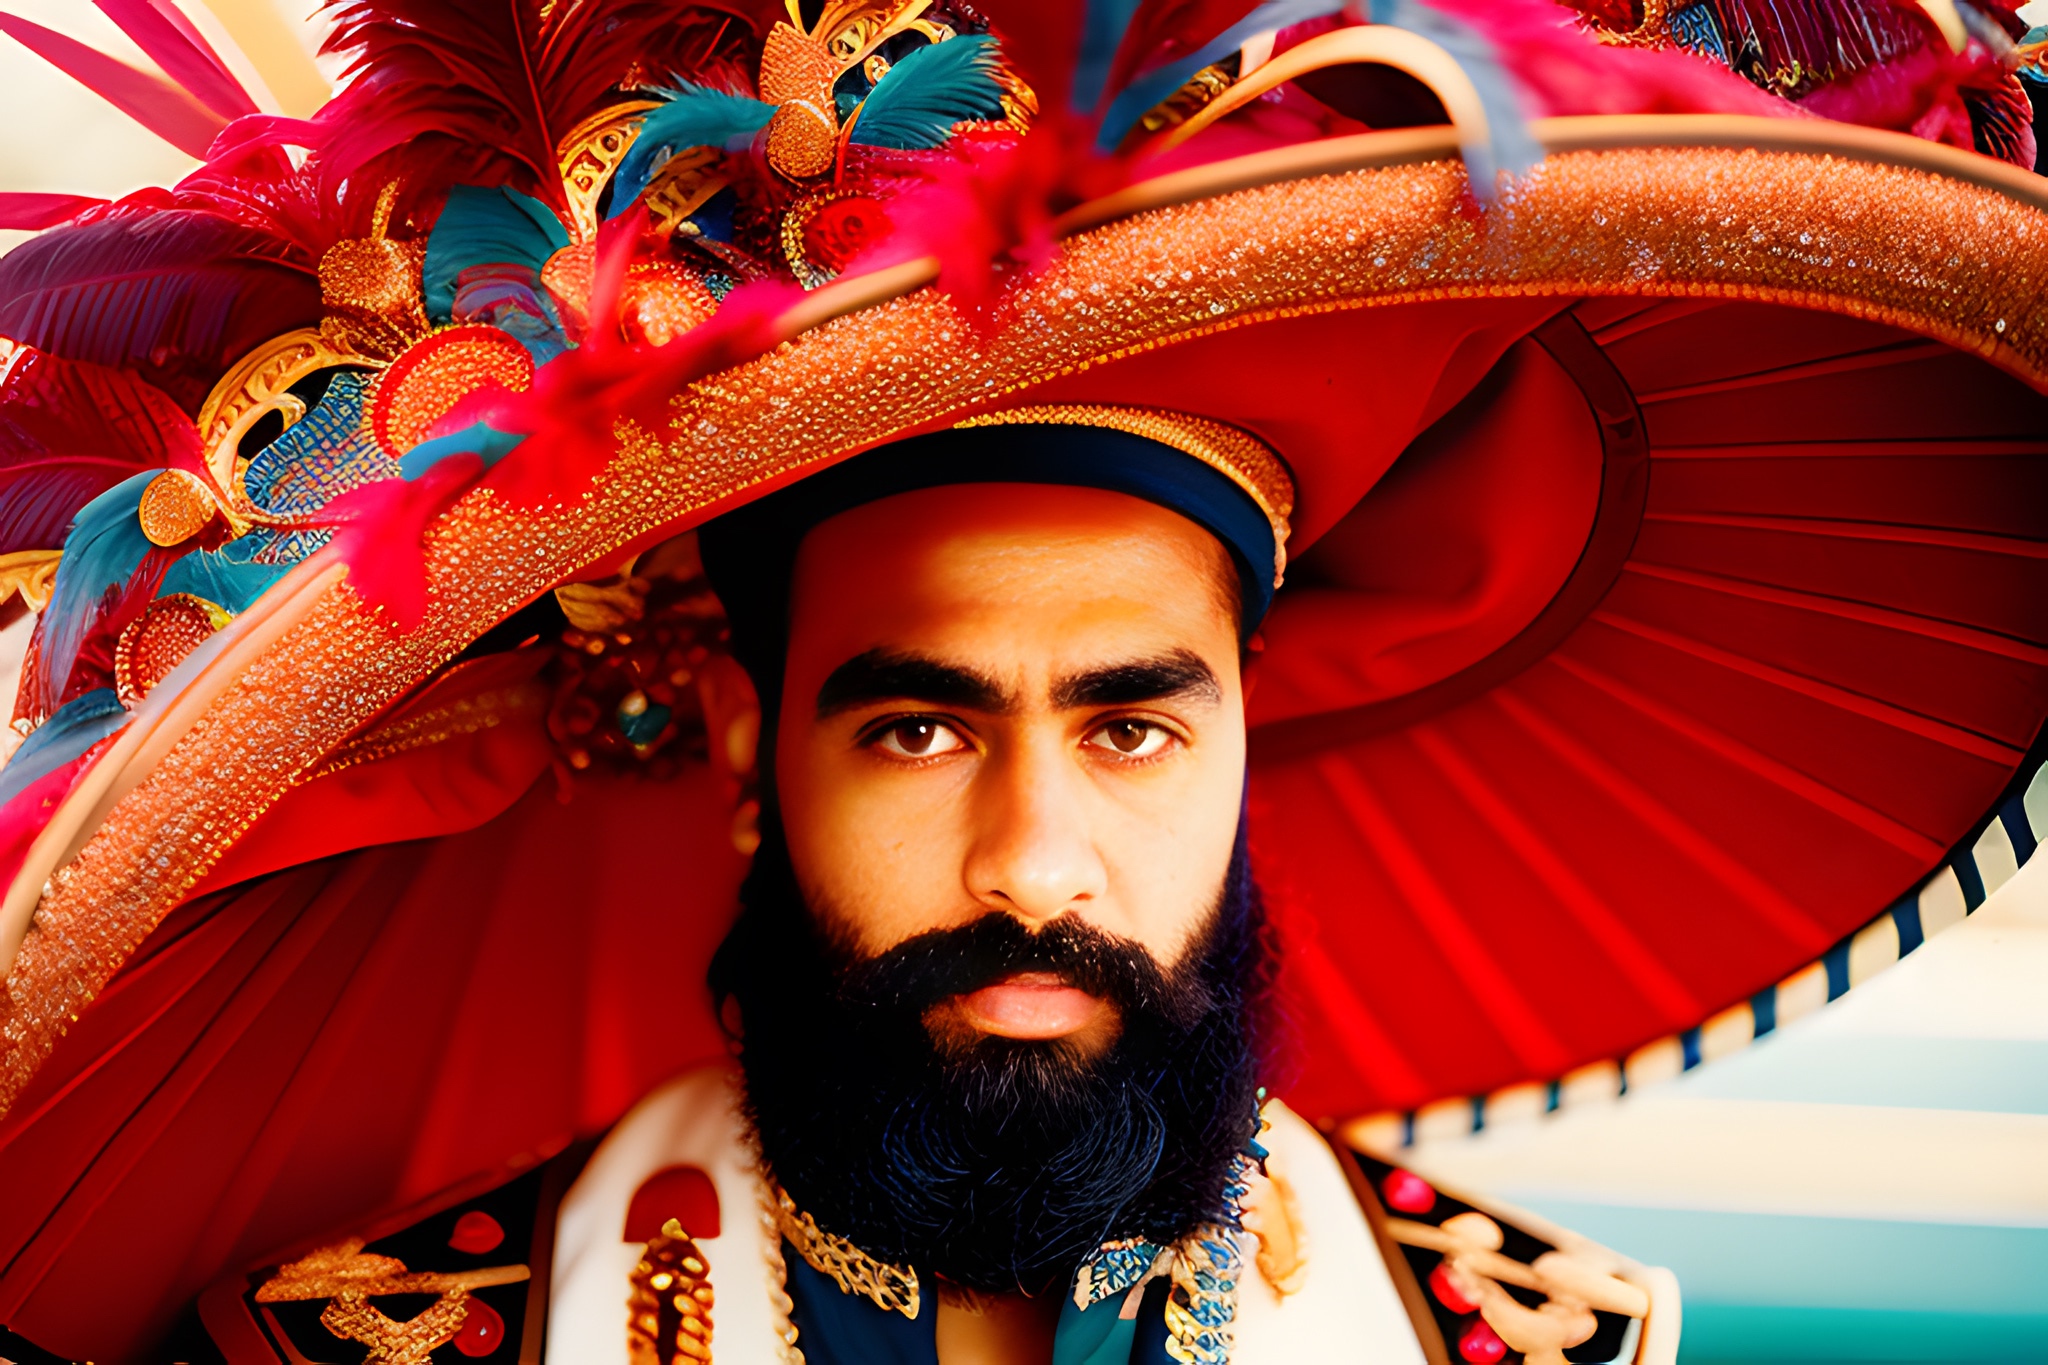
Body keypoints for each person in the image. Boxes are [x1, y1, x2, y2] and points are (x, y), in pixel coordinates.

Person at [0, 0, 2043, 1361]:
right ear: (748, 739)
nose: (1034, 852)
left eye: (1134, 720)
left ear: (1255, 735)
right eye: (914, 720)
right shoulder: (365, 1341)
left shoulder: (1544, 1333)